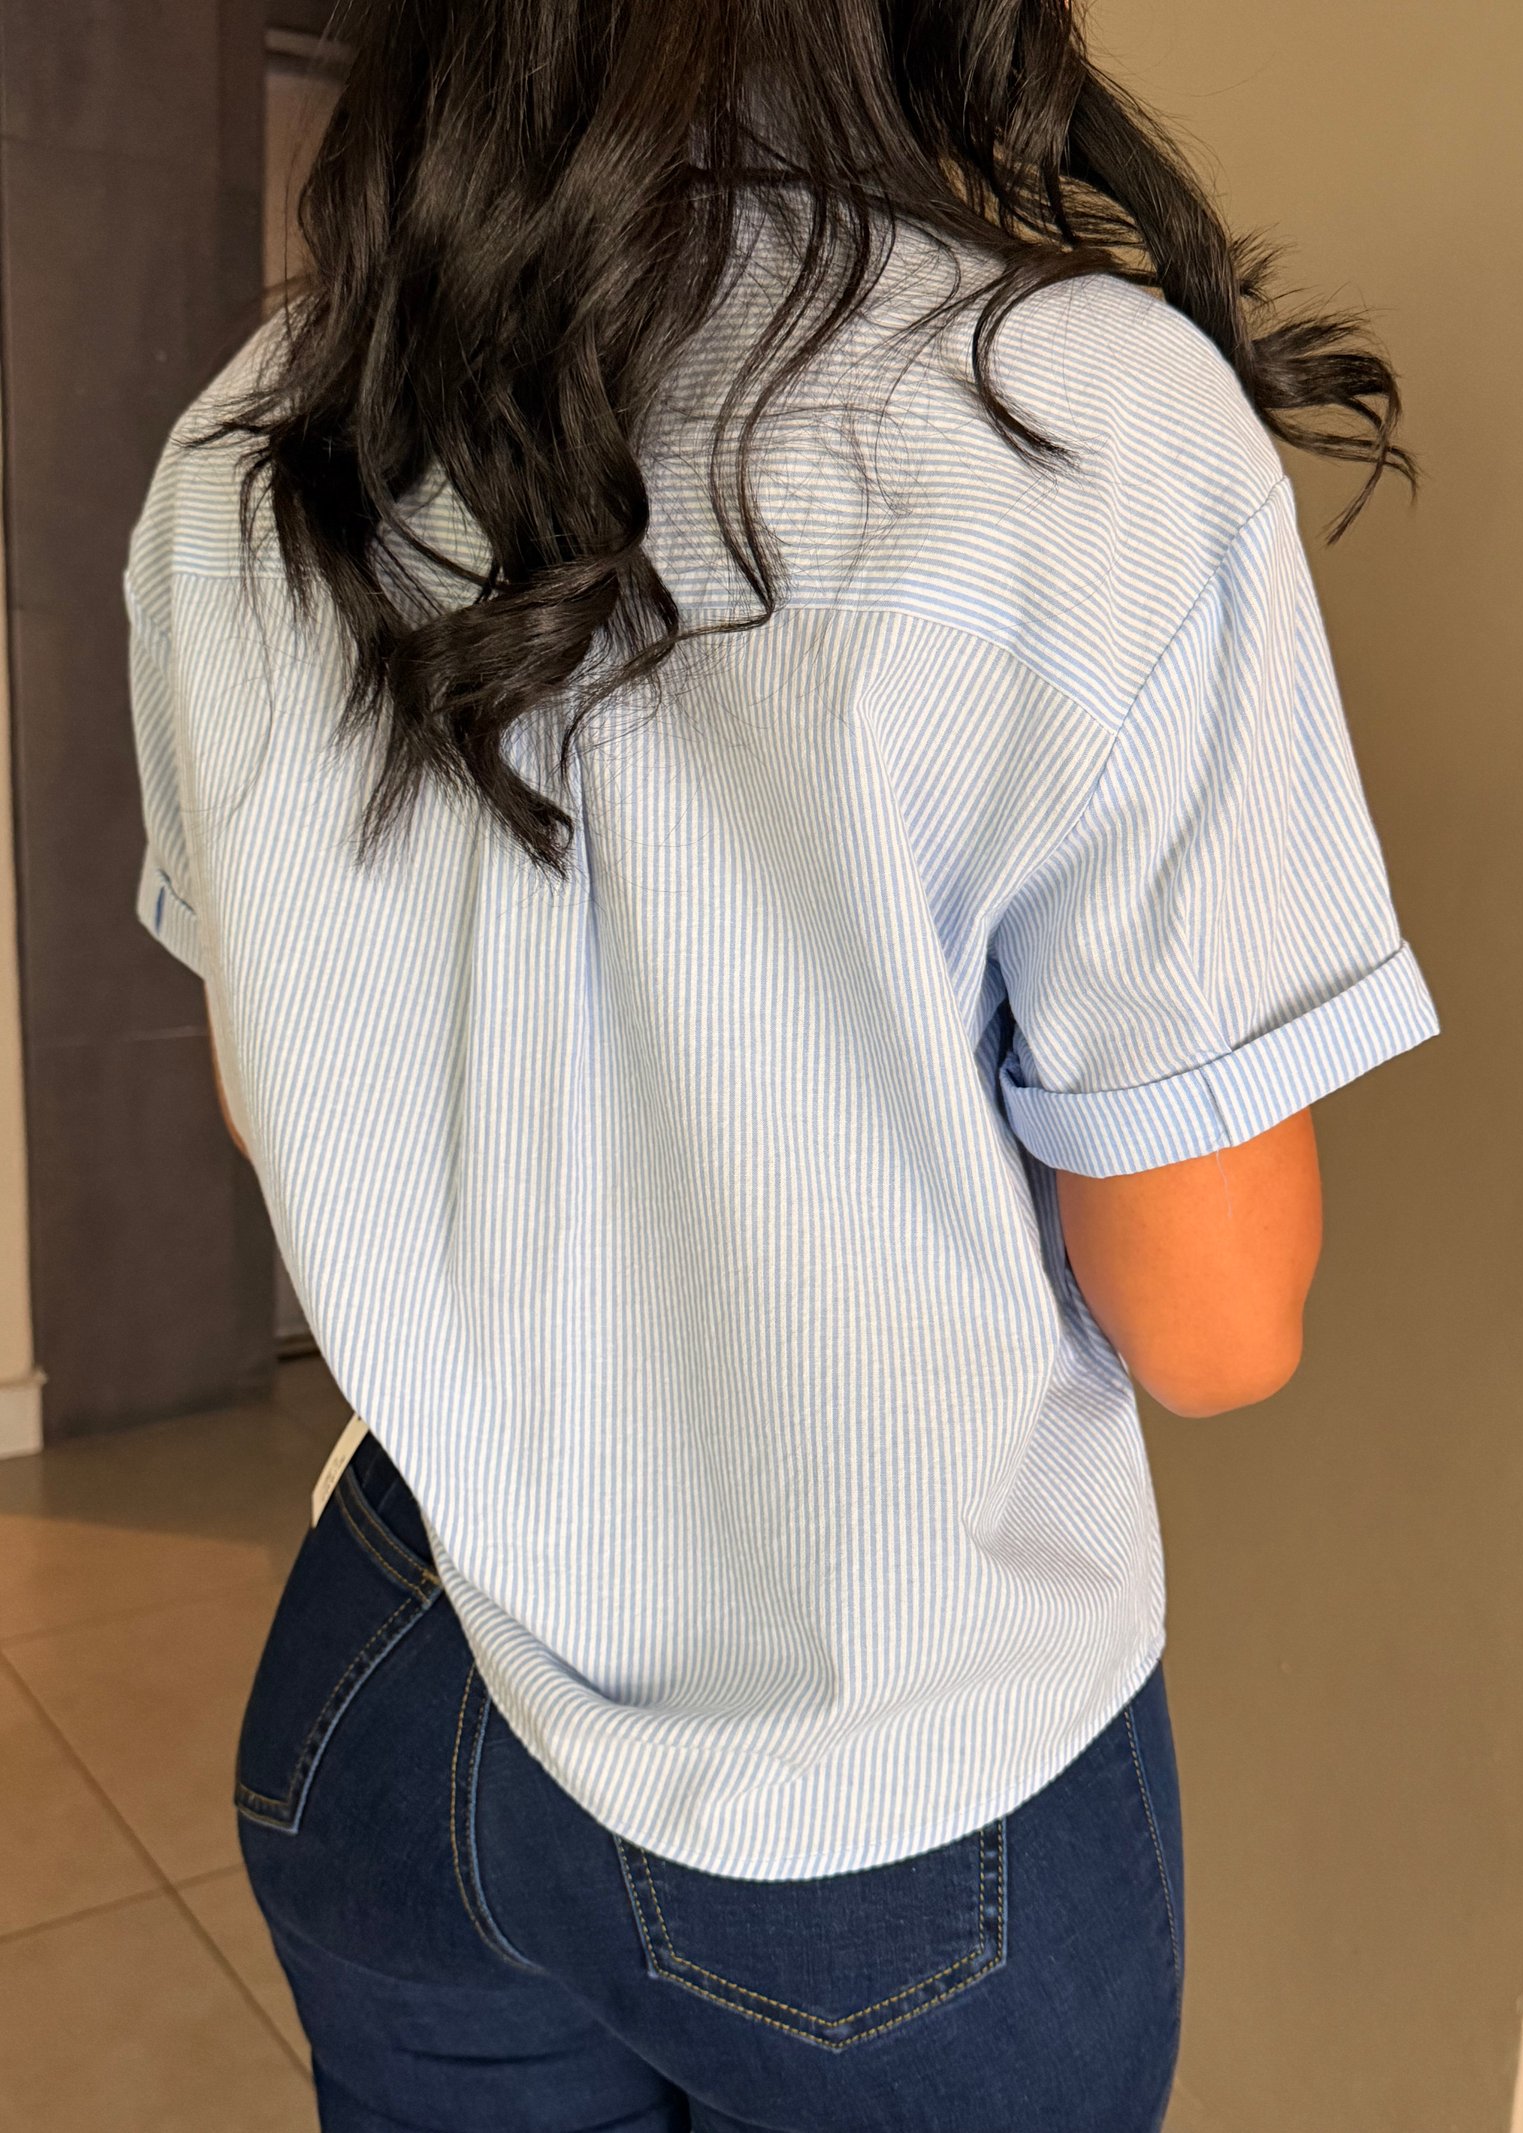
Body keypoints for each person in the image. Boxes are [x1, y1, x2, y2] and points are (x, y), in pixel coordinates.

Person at [123, 1, 1441, 2126]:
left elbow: (270, 1100)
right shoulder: (1074, 426)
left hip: (397, 1681)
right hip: (887, 1813)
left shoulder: (256, 437)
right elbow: (1215, 1328)